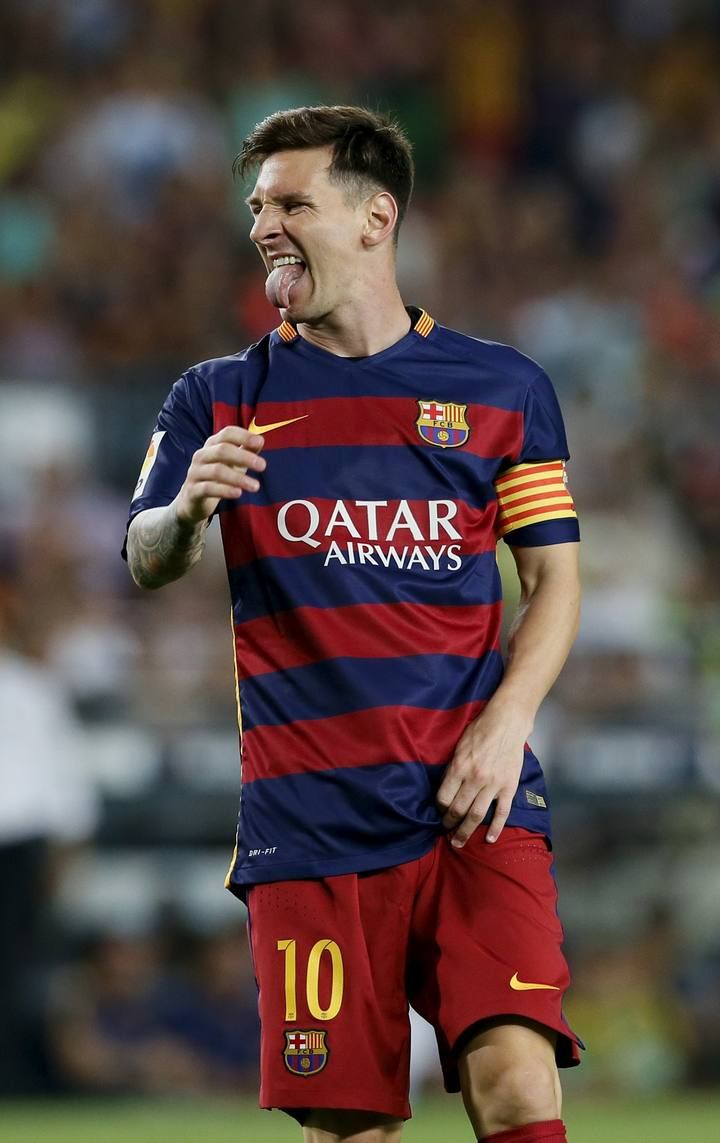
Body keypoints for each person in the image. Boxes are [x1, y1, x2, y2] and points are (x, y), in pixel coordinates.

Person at [124, 105, 582, 1143]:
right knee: (353, 1128)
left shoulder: (502, 389)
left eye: (291, 203)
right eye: (256, 207)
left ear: (375, 218)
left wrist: (508, 725)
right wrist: (188, 508)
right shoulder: (215, 398)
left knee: (515, 1081)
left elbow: (554, 579)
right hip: (312, 819)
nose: (263, 226)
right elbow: (143, 555)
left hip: (479, 803)